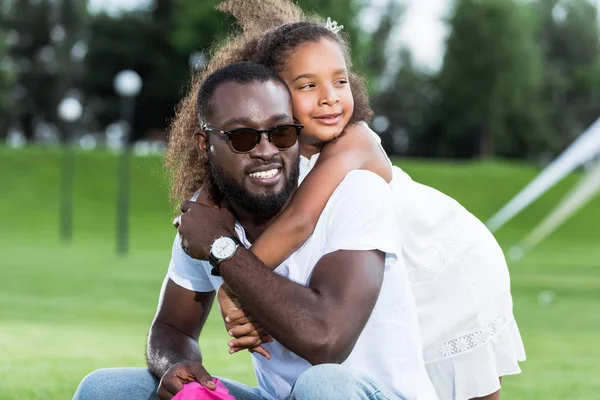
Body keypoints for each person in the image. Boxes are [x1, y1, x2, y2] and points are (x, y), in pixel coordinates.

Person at [166, 1, 526, 399]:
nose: (329, 99)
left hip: (445, 266)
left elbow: (300, 221)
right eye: (307, 86)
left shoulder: (355, 142)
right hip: (386, 276)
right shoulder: (282, 152)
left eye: (339, 81)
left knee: (464, 380)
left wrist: (232, 285)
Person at [73, 62, 438, 400]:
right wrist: (174, 365)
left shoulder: (355, 194)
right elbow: (173, 328)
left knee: (323, 385)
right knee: (106, 389)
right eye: (244, 137)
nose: (266, 150)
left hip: (369, 394)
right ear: (206, 144)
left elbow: (326, 340)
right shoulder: (206, 221)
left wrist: (223, 249)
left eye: (280, 132)